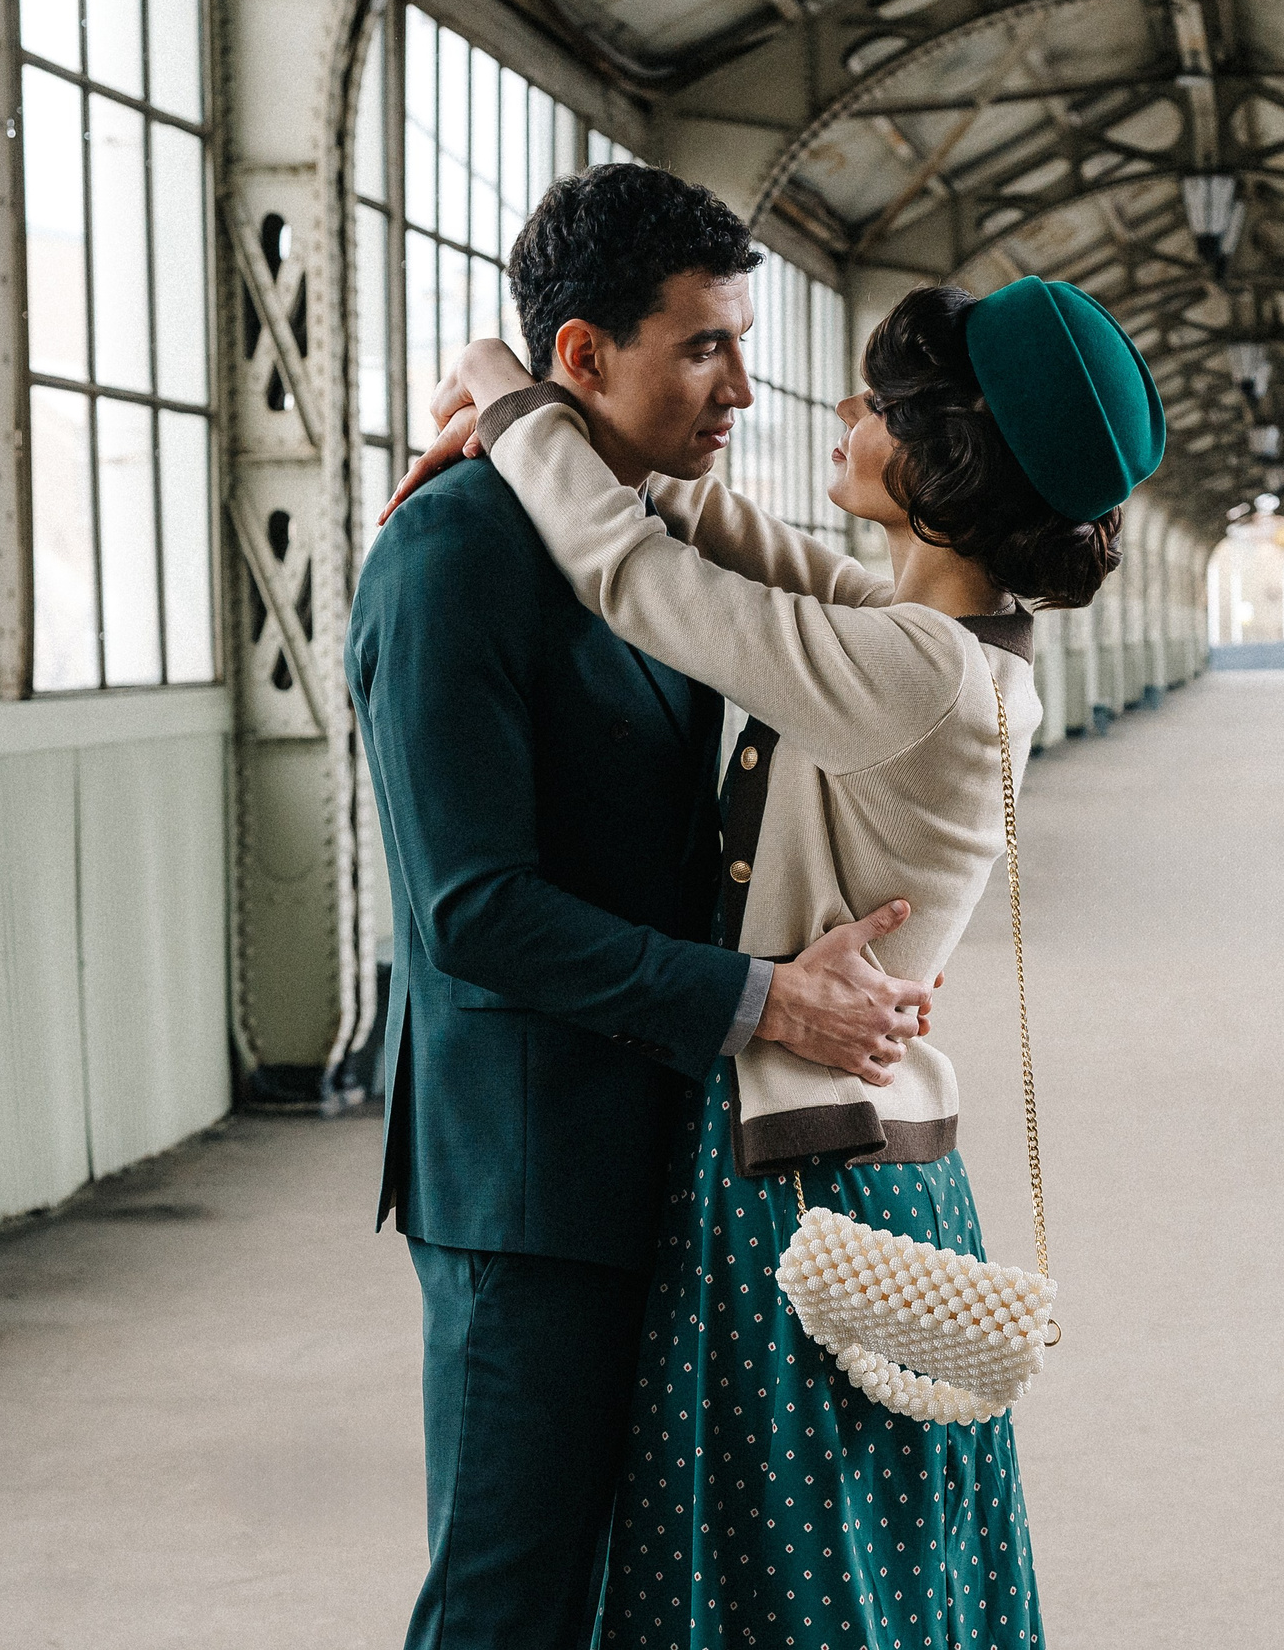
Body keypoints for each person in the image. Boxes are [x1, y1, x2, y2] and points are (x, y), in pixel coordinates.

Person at [400, 255, 1162, 1643]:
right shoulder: (944, 642)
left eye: (885, 407)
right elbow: (727, 534)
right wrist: (547, 409)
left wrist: (511, 401)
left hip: (802, 1181)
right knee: (851, 1565)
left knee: (790, 1581)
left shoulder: (915, 673)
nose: (846, 417)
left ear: (947, 463)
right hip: (869, 1161)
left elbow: (644, 577)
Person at [345, 165, 946, 1650]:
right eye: (704, 348)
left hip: (672, 1157)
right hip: (530, 1182)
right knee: (511, 1596)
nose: (741, 388)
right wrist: (765, 998)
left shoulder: (657, 536)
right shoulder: (450, 554)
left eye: (744, 345)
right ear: (583, 355)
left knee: (647, 1594)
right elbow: (474, 912)